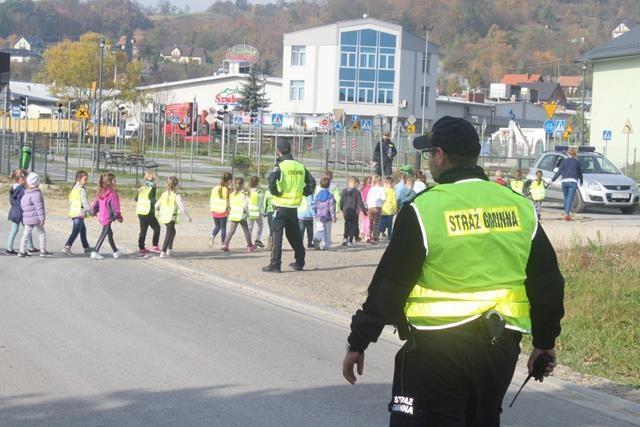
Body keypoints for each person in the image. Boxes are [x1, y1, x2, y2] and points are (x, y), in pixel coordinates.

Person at [342, 116, 565, 426]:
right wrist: (544, 342)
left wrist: (359, 341)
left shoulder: (425, 209)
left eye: (428, 153)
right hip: (499, 350)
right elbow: (547, 283)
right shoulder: (519, 207)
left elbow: (389, 287)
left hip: (437, 351)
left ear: (440, 155)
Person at [263, 140, 316, 273]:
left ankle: (275, 264)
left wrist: (275, 192)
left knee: (277, 235)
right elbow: (312, 183)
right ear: (290, 149)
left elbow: (271, 181)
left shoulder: (280, 165)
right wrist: (304, 193)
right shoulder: (299, 166)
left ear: (278, 151)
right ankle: (300, 261)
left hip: (280, 206)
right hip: (293, 207)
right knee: (294, 236)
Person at [155, 176, 191, 258]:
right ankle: (163, 251)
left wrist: (158, 210)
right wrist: (188, 217)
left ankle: (169, 250)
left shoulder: (164, 194)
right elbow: (182, 208)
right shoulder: (176, 196)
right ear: (176, 185)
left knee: (173, 231)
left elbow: (156, 205)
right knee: (169, 232)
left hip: (164, 216)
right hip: (171, 217)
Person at [91, 173, 124, 260]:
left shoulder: (101, 192)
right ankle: (95, 251)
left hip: (102, 216)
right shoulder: (113, 194)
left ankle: (115, 251)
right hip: (108, 216)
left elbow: (96, 204)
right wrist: (119, 217)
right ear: (111, 182)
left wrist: (94, 211)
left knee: (109, 233)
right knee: (104, 232)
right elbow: (115, 207)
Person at [19, 173, 51, 257]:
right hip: (36, 218)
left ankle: (22, 251)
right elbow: (39, 207)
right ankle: (43, 250)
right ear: (37, 183)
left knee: (25, 234)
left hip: (27, 218)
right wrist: (42, 218)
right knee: (41, 233)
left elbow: (23, 205)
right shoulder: (37, 193)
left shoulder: (26, 193)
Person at [63, 170, 93, 256]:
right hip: (79, 214)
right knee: (75, 231)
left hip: (74, 213)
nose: (86, 181)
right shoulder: (81, 190)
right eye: (85, 179)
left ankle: (86, 247)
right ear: (78, 179)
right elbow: (85, 203)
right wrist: (91, 212)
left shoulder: (74, 189)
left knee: (83, 230)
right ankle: (67, 246)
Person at [5, 169, 35, 256]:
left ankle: (9, 248)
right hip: (21, 212)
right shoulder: (22, 189)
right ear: (22, 179)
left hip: (14, 210)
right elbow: (27, 199)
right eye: (26, 178)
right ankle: (30, 247)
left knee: (14, 230)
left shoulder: (13, 187)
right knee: (27, 228)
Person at [222, 177, 255, 253]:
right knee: (246, 230)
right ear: (243, 184)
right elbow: (247, 203)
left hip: (234, 213)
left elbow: (230, 203)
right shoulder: (245, 193)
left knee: (231, 230)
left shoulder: (232, 194)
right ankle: (249, 246)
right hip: (241, 214)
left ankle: (225, 244)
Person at [551, 147, 584, 221]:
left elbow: (559, 172)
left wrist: (552, 180)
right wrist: (581, 181)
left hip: (564, 181)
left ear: (568, 153)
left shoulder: (564, 161)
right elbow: (580, 173)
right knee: (570, 197)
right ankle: (567, 213)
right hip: (573, 182)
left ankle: (566, 211)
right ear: (575, 154)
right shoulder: (577, 162)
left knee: (566, 197)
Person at [135, 170, 161, 257]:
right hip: (148, 212)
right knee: (157, 228)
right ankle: (155, 246)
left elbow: (136, 199)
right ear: (153, 177)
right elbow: (151, 197)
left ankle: (141, 249)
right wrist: (157, 205)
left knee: (143, 231)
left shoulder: (143, 187)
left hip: (140, 212)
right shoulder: (152, 187)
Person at [340, 177, 367, 247]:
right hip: (354, 211)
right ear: (356, 184)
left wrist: (342, 209)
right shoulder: (357, 192)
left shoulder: (344, 191)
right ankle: (350, 240)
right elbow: (360, 203)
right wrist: (364, 212)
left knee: (346, 224)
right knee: (352, 225)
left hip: (346, 211)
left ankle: (345, 238)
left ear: (349, 183)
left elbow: (341, 201)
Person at [312, 176, 337, 250]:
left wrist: (315, 214)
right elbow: (332, 208)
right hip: (327, 216)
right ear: (329, 185)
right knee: (327, 231)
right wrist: (333, 217)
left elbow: (314, 206)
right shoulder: (330, 195)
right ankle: (326, 245)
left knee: (319, 229)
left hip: (319, 216)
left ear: (320, 185)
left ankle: (317, 238)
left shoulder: (317, 195)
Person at [209, 171, 232, 248]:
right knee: (223, 227)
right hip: (223, 211)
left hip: (214, 211)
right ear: (229, 181)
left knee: (217, 226)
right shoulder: (227, 190)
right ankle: (223, 243)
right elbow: (229, 200)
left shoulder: (214, 188)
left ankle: (212, 236)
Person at [366, 176, 386, 244]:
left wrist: (368, 206)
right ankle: (375, 238)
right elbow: (383, 199)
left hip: (370, 207)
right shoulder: (382, 189)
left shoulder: (371, 189)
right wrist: (381, 203)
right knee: (376, 223)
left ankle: (368, 236)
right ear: (380, 182)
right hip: (377, 207)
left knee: (371, 222)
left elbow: (367, 198)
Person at [247, 176, 265, 248]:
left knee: (250, 228)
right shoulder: (259, 192)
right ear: (257, 183)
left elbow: (246, 202)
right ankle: (257, 239)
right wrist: (263, 212)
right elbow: (261, 204)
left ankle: (249, 243)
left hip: (250, 212)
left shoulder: (248, 191)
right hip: (257, 212)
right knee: (260, 225)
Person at [358, 176, 372, 242]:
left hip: (361, 206)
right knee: (368, 220)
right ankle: (367, 234)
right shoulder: (370, 188)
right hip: (368, 206)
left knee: (363, 220)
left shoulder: (362, 188)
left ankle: (362, 230)